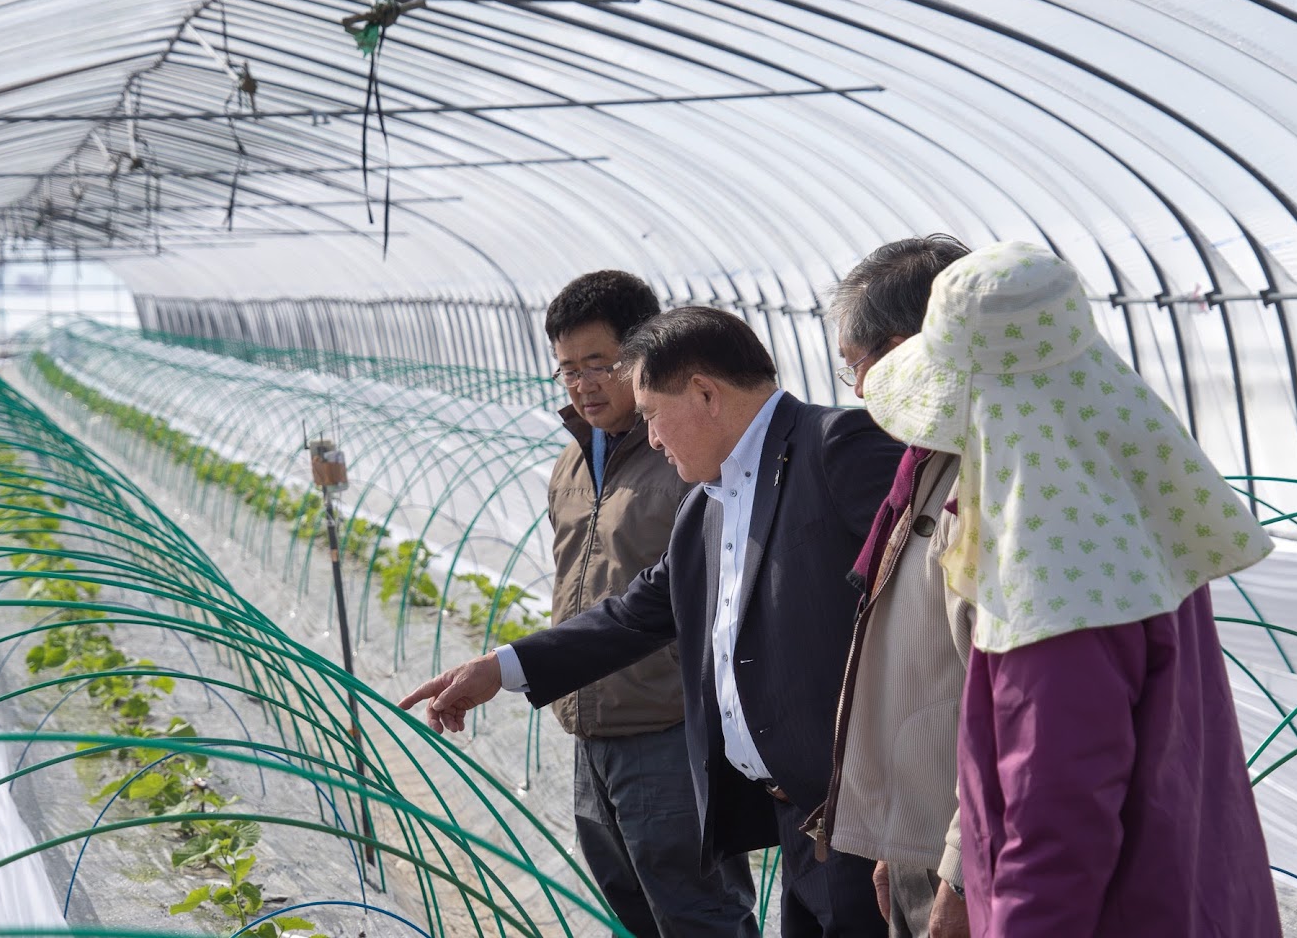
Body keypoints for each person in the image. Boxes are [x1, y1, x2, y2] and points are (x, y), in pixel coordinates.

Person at [401, 307, 905, 938]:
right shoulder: (707, 503)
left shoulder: (837, 448)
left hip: (864, 818)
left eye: (650, 415)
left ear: (703, 393)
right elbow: (636, 613)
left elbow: (921, 618)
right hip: (797, 820)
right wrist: (500, 668)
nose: (653, 438)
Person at [862, 240, 1282, 937]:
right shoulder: (1126, 506)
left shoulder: (1052, 569)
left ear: (987, 402)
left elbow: (1055, 823)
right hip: (1181, 892)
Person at [538, 270, 758, 938]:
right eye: (567, 370)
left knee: (698, 912)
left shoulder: (686, 459)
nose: (582, 384)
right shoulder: (573, 462)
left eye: (598, 364)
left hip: (671, 730)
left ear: (640, 356)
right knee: (627, 908)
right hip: (590, 728)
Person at [810, 235, 974, 938]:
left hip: (972, 855)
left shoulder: (989, 482)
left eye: (860, 364)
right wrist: (891, 834)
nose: (856, 390)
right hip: (922, 838)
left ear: (908, 347)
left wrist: (961, 875)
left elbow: (1010, 705)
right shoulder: (921, 470)